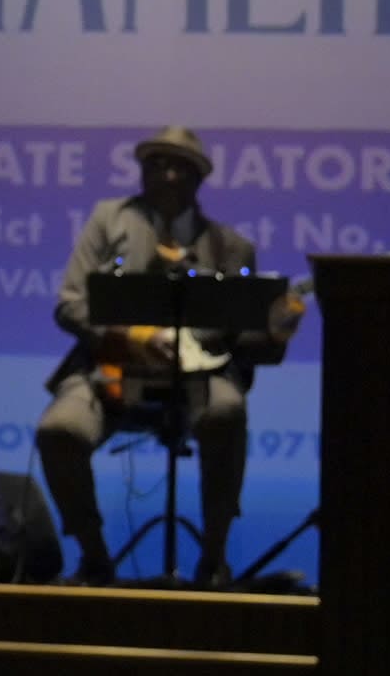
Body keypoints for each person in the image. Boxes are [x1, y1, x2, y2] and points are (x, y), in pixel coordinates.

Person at [37, 126, 289, 587]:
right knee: (58, 429)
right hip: (110, 370)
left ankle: (213, 559)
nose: (166, 174)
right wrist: (130, 339)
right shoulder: (107, 219)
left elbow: (247, 338)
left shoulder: (230, 247)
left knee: (228, 411)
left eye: (179, 167)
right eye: (155, 164)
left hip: (199, 376)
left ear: (198, 180)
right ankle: (95, 559)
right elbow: (70, 302)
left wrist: (274, 328)